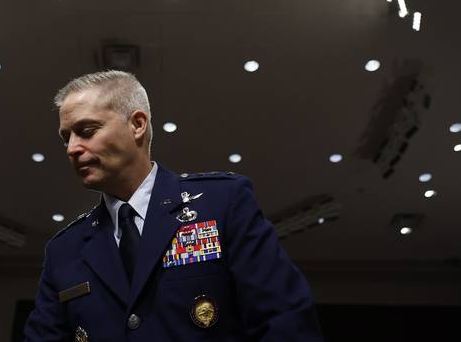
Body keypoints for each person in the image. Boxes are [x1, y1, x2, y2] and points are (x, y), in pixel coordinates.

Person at [24, 70, 323, 341]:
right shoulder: (64, 250)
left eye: (87, 131)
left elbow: (286, 322)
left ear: (138, 124)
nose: (73, 148)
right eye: (66, 137)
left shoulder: (223, 205)